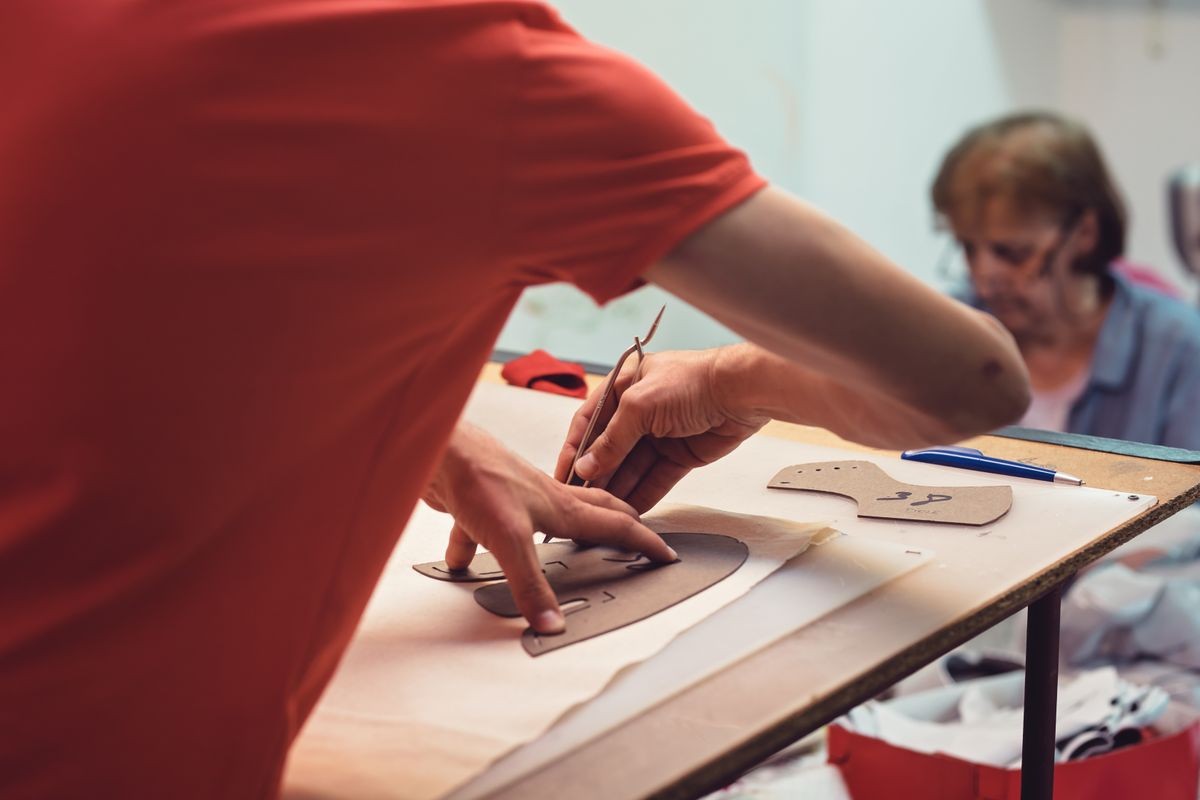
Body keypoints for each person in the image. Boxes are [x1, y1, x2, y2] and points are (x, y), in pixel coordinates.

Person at [0, 2, 1029, 796]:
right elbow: (970, 378)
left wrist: (433, 436)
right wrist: (727, 377)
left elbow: (142, 294)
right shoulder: (490, 73)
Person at [929, 111, 1200, 450]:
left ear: (1085, 232)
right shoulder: (953, 331)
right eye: (968, 247)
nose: (984, 280)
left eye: (1014, 252)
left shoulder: (1178, 348)